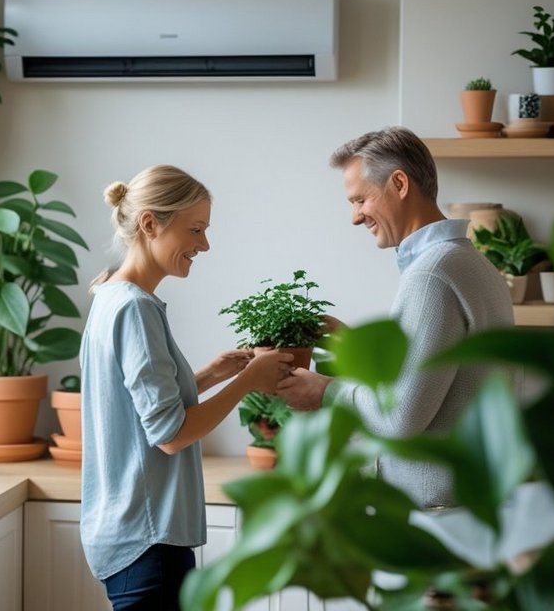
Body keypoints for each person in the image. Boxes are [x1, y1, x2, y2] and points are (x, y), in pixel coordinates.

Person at [79, 164, 291, 611]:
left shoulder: (109, 296)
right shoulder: (136, 309)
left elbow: (138, 410)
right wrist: (250, 382)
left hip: (130, 535)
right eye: (195, 229)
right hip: (148, 540)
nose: (204, 244)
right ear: (150, 224)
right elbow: (170, 435)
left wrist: (211, 375)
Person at [276, 126, 513, 508]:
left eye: (360, 200)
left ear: (399, 183)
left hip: (436, 519)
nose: (355, 217)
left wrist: (325, 392)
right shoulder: (471, 264)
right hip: (468, 505)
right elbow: (435, 379)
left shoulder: (432, 274)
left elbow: (401, 417)